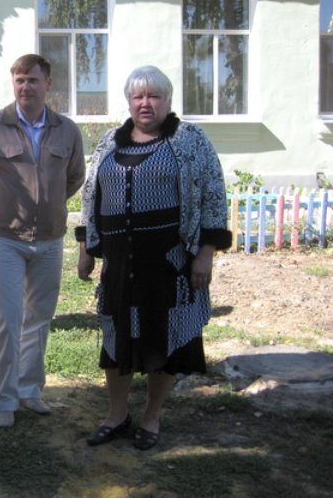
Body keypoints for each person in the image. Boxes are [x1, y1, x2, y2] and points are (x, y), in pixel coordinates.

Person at [76, 65, 231, 451]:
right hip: (119, 262)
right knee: (116, 339)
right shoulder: (110, 142)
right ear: (128, 101)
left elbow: (213, 195)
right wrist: (86, 248)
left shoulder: (190, 139)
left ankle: (152, 416)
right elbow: (91, 196)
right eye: (138, 96)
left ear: (167, 100)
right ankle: (116, 415)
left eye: (154, 96)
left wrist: (206, 254)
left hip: (168, 262)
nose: (146, 103)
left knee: (166, 338)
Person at [0, 54, 85, 428]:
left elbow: (74, 177)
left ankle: (30, 391)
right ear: (12, 84)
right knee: (5, 320)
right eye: (18, 80)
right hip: (6, 240)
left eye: (32, 80)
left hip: (49, 240)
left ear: (47, 83)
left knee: (39, 318)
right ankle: (4, 399)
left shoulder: (67, 130)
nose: (25, 87)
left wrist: (47, 207)